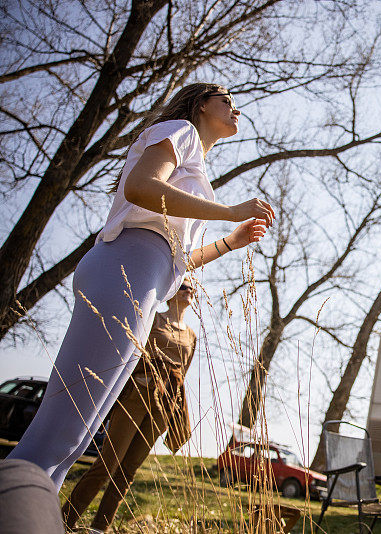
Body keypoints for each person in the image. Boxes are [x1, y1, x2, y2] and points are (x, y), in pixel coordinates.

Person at [7, 83, 274, 488]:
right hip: (125, 266)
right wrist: (228, 211)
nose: (236, 110)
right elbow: (141, 187)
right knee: (59, 429)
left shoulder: (195, 167)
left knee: (77, 436)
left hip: (146, 278)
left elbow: (178, 258)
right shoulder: (180, 131)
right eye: (227, 101)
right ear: (201, 105)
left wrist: (229, 242)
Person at [61, 277, 198, 533]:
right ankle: (64, 519)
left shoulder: (192, 335)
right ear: (172, 291)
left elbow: (184, 373)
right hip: (137, 395)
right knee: (108, 463)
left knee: (128, 471)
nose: (188, 290)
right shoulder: (155, 319)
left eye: (192, 288)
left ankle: (99, 528)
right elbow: (132, 354)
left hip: (163, 406)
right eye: (183, 286)